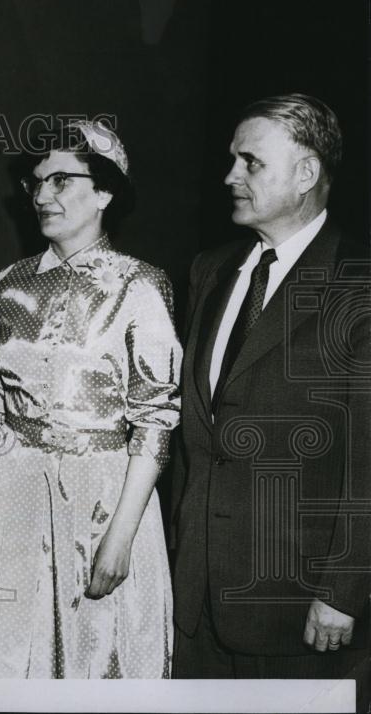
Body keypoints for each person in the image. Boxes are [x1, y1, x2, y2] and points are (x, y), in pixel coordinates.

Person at [0, 120, 181, 678]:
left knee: (91, 658)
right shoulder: (7, 285)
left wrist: (120, 539)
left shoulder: (140, 286)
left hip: (102, 502)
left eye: (60, 181)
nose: (42, 196)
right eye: (36, 183)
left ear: (104, 192)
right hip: (7, 494)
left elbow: (154, 423)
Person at [171, 94, 370, 703]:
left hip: (300, 610)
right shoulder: (210, 270)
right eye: (233, 159)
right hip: (195, 603)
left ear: (306, 174)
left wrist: (343, 590)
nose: (230, 175)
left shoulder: (357, 286)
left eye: (250, 162)